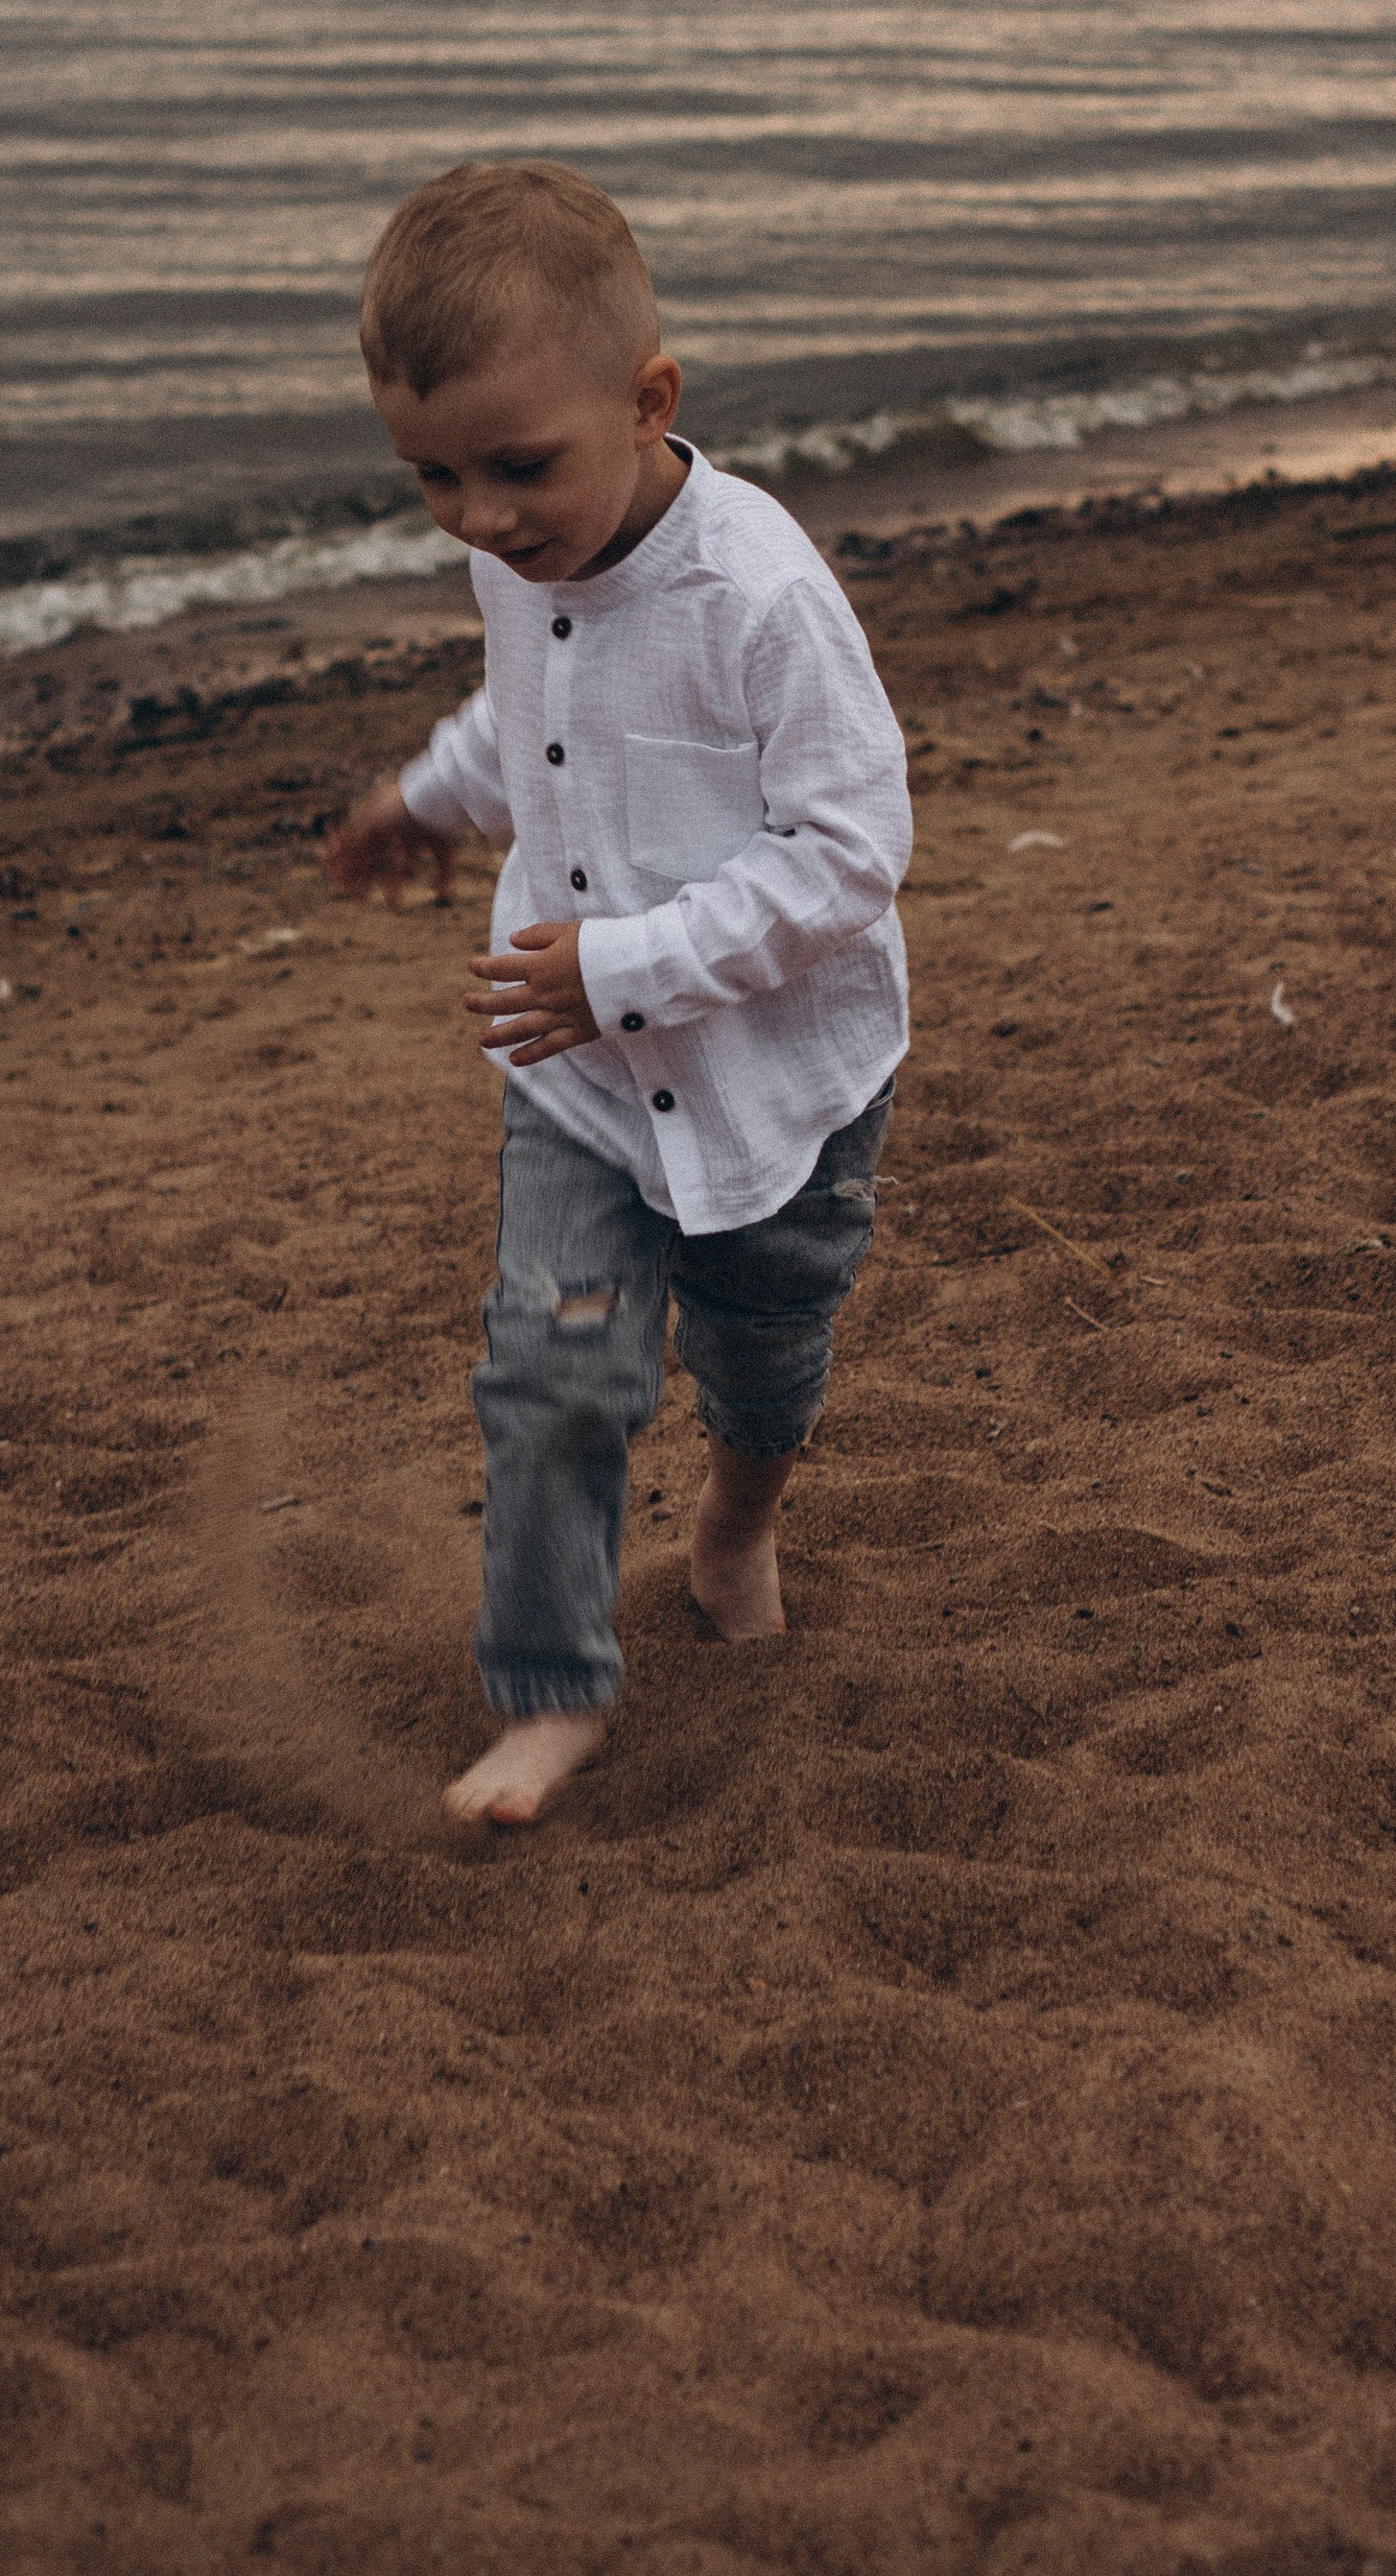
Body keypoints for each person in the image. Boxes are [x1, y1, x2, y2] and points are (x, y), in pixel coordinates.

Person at [324, 159, 911, 1830]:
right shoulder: (519, 557)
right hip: (571, 1076)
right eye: (429, 476)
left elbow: (853, 851)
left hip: (782, 1078)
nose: (481, 517)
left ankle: (734, 1526)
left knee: (766, 1353)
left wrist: (628, 968)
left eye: (517, 468)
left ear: (651, 400)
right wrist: (426, 798)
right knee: (556, 1367)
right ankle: (553, 1690)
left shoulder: (761, 596)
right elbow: (531, 719)